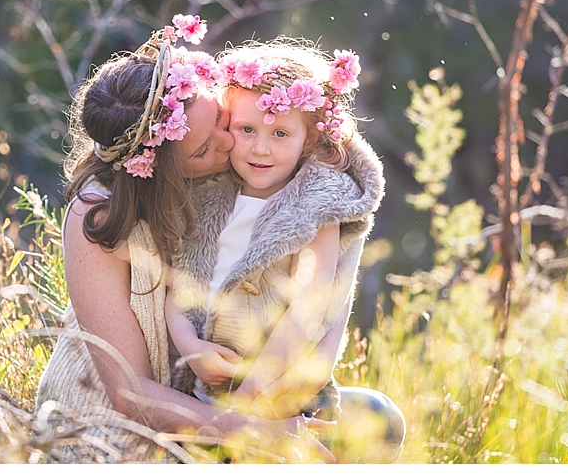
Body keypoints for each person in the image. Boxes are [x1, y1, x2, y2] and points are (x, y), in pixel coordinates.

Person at [33, 17, 401, 463]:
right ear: (164, 167)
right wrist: (254, 430)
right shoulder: (98, 214)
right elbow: (129, 393)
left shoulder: (251, 170)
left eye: (223, 120)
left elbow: (321, 309)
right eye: (207, 146)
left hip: (229, 398)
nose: (234, 144)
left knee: (379, 420)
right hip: (131, 429)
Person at [165, 41, 404, 462]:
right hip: (202, 398)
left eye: (280, 133)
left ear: (309, 138)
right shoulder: (204, 197)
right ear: (226, 126)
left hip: (285, 398)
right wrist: (189, 345)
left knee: (378, 423)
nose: (261, 148)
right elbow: (176, 288)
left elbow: (308, 311)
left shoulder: (316, 210)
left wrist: (256, 397)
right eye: (247, 130)